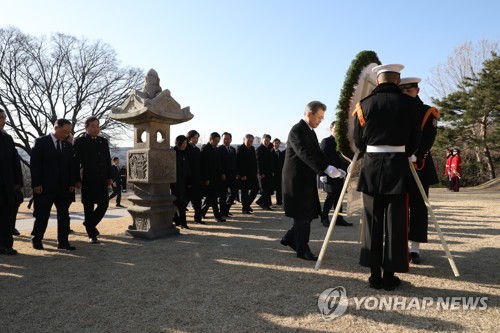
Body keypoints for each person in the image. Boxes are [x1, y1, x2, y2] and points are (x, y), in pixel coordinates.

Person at [353, 64, 420, 290]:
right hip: (398, 168)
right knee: (396, 223)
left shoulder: (363, 105)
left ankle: (374, 275)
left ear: (378, 81)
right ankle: (389, 276)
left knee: (372, 223)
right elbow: (414, 141)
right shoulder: (410, 105)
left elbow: (359, 141)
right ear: (397, 81)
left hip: (372, 167)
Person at [280, 101, 346, 261]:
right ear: (310, 114)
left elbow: (318, 153)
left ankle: (289, 238)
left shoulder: (310, 132)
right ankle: (302, 249)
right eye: (319, 117)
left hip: (306, 179)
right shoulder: (297, 130)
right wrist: (325, 169)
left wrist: (333, 167)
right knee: (302, 215)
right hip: (296, 180)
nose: (321, 121)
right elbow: (304, 154)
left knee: (309, 214)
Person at [400, 77, 440, 264]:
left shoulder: (427, 111)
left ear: (417, 91)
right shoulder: (396, 109)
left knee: (418, 207)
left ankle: (414, 248)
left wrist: (418, 155)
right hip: (398, 164)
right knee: (398, 206)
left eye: (409, 92)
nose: (406, 95)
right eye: (403, 92)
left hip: (419, 164)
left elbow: (429, 137)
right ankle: (398, 244)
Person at [30, 118, 77, 251]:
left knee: (64, 216)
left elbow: (71, 166)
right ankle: (37, 239)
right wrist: (36, 184)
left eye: (69, 132)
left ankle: (63, 242)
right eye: (65, 131)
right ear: (56, 127)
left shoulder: (68, 145)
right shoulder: (41, 142)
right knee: (42, 215)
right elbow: (35, 164)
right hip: (44, 187)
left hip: (63, 187)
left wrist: (72, 183)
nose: (67, 134)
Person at [73, 116, 112, 244]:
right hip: (88, 179)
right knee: (88, 207)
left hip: (102, 179)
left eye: (97, 126)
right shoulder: (80, 141)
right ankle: (92, 234)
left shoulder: (103, 141)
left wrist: (109, 177)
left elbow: (107, 160)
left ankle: (88, 223)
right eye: (93, 126)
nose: (96, 128)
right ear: (86, 128)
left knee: (104, 204)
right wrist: (76, 179)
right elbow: (75, 162)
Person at [319, 121, 352, 227]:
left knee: (339, 197)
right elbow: (321, 158)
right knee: (331, 196)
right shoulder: (326, 141)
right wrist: (321, 174)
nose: (338, 131)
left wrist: (344, 170)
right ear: (331, 129)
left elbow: (344, 159)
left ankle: (339, 219)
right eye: (335, 128)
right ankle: (324, 217)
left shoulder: (342, 143)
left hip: (340, 174)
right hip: (328, 173)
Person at [0, 109, 23, 255]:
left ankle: (6, 245)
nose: (3, 120)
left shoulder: (7, 138)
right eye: (0, 117)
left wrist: (18, 181)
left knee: (6, 216)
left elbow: (15, 161)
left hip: (6, 183)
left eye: (4, 117)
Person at [201, 132, 225, 222]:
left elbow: (219, 164)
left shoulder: (216, 149)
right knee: (213, 197)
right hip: (209, 178)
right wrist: (206, 178)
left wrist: (222, 173)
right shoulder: (205, 149)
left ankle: (201, 213)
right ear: (210, 140)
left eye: (218, 141)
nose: (217, 143)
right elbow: (204, 165)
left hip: (216, 177)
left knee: (210, 198)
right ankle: (217, 216)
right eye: (215, 141)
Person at [171, 135, 191, 229]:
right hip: (174, 183)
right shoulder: (172, 152)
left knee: (182, 203)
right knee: (178, 203)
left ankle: (180, 221)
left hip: (184, 182)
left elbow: (187, 168)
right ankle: (181, 222)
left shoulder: (185, 153)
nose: (185, 145)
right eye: (183, 143)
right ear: (178, 142)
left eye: (186, 143)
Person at [236, 134, 259, 214]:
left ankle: (247, 205)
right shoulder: (240, 149)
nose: (250, 142)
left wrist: (256, 173)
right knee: (244, 192)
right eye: (248, 141)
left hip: (252, 174)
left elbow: (254, 162)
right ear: (244, 140)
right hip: (244, 175)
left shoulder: (252, 148)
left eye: (251, 141)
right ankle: (245, 209)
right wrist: (241, 175)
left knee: (256, 189)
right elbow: (238, 163)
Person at [186, 130, 204, 224]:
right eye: (194, 138)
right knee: (185, 201)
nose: (196, 140)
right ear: (189, 138)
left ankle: (198, 219)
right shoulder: (186, 148)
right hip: (189, 179)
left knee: (198, 201)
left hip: (197, 179)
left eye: (197, 138)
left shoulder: (197, 149)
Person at [217, 132, 238, 217]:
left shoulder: (233, 149)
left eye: (228, 138)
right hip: (224, 176)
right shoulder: (219, 149)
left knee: (234, 193)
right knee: (223, 195)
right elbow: (219, 163)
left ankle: (226, 209)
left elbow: (235, 162)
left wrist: (237, 173)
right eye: (224, 138)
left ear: (231, 140)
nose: (226, 140)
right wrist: (222, 173)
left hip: (233, 175)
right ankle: (223, 212)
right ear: (222, 139)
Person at [255, 134, 274, 210]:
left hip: (268, 172)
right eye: (265, 140)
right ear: (262, 140)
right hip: (263, 173)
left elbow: (270, 162)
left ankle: (266, 203)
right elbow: (258, 163)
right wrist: (260, 173)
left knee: (268, 188)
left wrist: (272, 171)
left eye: (268, 141)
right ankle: (262, 202)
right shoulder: (259, 150)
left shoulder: (268, 149)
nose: (266, 142)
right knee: (265, 189)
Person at [271, 138, 285, 205]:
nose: (277, 144)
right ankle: (268, 202)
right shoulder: (270, 152)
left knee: (279, 188)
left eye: (278, 143)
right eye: (275, 143)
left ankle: (279, 201)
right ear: (273, 143)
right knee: (271, 188)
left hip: (279, 173)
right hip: (272, 173)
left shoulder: (280, 153)